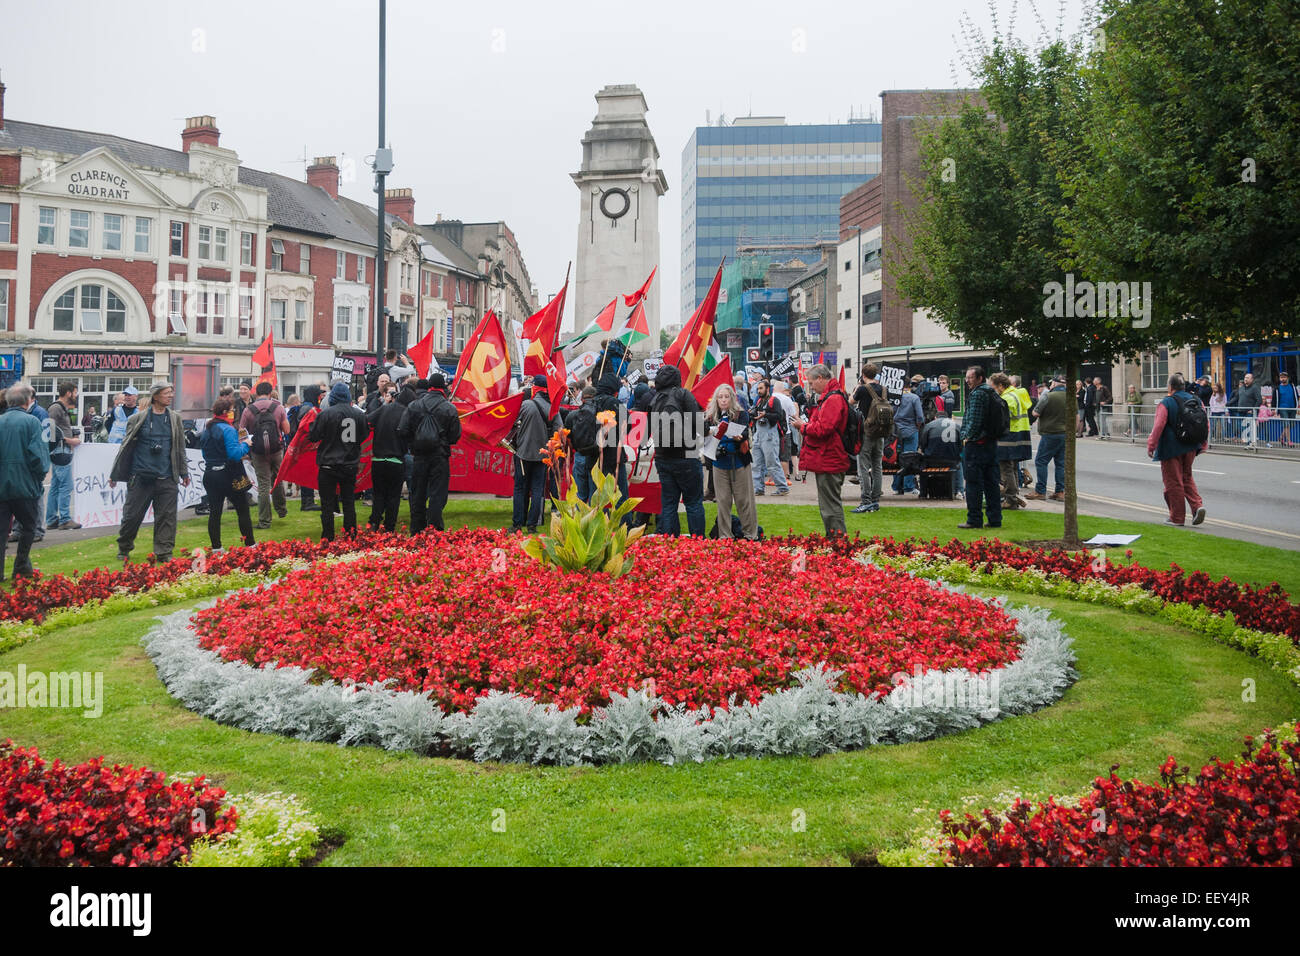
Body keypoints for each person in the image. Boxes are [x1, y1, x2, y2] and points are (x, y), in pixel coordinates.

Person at [110, 382, 191, 564]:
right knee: (131, 517)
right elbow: (125, 448)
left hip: (167, 477)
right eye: (166, 393)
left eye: (171, 392)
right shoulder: (137, 419)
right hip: (140, 477)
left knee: (167, 518)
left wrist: (184, 472)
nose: (170, 396)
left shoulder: (175, 419)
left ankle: (164, 552)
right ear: (155, 396)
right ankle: (124, 547)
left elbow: (180, 448)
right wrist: (115, 474)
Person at [399, 372, 461, 534]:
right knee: (437, 494)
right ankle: (434, 529)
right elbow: (455, 436)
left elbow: (403, 429)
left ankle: (417, 528)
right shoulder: (449, 408)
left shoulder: (414, 406)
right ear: (443, 387)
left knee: (418, 493)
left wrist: (414, 442)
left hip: (419, 456)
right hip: (439, 456)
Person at [790, 365, 849, 535]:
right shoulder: (832, 397)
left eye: (811, 382)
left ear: (821, 378)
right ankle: (835, 541)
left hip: (830, 457)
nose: (811, 386)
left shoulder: (833, 399)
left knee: (830, 506)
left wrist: (803, 426)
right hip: (829, 457)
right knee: (828, 506)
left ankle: (837, 543)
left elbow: (824, 429)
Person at [0, 383, 51, 581]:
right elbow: (38, 457)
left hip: (3, 486)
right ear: (27, 401)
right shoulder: (32, 422)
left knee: (2, 531)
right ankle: (21, 566)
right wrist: (38, 478)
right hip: (25, 486)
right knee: (29, 527)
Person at [307, 381, 367, 541]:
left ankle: (328, 537)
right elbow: (364, 435)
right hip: (349, 464)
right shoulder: (359, 414)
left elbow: (313, 436)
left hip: (328, 465)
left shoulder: (326, 414)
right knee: (349, 503)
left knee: (327, 504)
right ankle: (351, 535)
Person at [651, 364, 705, 537]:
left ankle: (670, 544)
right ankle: (697, 542)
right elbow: (698, 423)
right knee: (693, 502)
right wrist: (708, 428)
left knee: (668, 503)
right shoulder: (683, 394)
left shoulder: (655, 398)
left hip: (662, 456)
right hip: (686, 455)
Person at [1146, 374, 1207, 527]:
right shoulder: (1197, 400)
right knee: (1187, 477)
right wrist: (1203, 444)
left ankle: (1177, 518)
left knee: (1173, 482)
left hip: (1170, 448)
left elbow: (1158, 425)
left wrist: (1151, 445)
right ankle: (1197, 506)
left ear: (1170, 387)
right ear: (1183, 386)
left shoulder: (1166, 402)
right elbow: (1205, 422)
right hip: (1192, 445)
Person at [199, 396, 254, 553]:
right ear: (225, 412)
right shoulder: (228, 429)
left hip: (210, 474)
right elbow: (235, 454)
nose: (234, 413)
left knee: (215, 513)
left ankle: (216, 548)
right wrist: (246, 444)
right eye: (232, 410)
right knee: (242, 509)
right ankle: (250, 544)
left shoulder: (207, 429)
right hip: (229, 475)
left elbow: (204, 453)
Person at [704, 384, 757, 539]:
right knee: (723, 502)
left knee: (744, 501)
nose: (723, 400)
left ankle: (750, 535)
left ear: (732, 398)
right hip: (719, 463)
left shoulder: (740, 414)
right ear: (716, 399)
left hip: (739, 462)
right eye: (720, 397)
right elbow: (702, 432)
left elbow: (745, 431)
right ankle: (725, 536)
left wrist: (740, 437)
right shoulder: (710, 416)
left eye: (726, 396)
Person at [239, 382, 290, 530]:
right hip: (276, 450)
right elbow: (286, 430)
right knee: (278, 479)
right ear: (270, 392)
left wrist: (246, 446)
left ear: (256, 393)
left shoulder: (249, 410)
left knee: (263, 485)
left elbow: (241, 432)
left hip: (258, 451)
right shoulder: (278, 407)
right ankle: (281, 509)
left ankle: (264, 521)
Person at [958, 366, 1002, 530]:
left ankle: (974, 519)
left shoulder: (977, 394)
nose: (967, 380)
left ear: (980, 378)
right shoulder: (991, 392)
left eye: (970, 377)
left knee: (973, 483)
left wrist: (966, 436)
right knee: (992, 483)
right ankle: (995, 518)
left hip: (977, 445)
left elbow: (974, 421)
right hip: (990, 443)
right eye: (967, 377)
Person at [510, 375, 554, 533]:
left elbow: (513, 424)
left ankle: (517, 524)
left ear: (534, 387)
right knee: (537, 490)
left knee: (520, 489)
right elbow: (559, 430)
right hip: (543, 456)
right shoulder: (551, 408)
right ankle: (532, 525)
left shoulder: (525, 404)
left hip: (523, 453)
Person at [45, 380, 83, 530]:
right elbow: (48, 431)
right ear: (68, 393)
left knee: (55, 486)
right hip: (61, 451)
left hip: (60, 450)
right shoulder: (56, 408)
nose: (76, 395)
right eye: (75, 392)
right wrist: (70, 440)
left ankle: (52, 519)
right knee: (66, 485)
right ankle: (65, 519)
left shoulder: (60, 408)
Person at [991, 373, 1030, 510]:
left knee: (1006, 468)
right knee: (1012, 468)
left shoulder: (1007, 398)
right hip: (1018, 434)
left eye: (993, 387)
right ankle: (1013, 496)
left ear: (1001, 386)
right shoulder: (1015, 394)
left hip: (1008, 435)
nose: (993, 390)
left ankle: (1011, 499)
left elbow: (1001, 419)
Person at [1026, 375, 1068, 501]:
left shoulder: (1048, 396)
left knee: (1041, 461)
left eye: (1051, 383)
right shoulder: (1070, 397)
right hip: (1065, 433)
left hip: (1050, 433)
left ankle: (1040, 491)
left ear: (1054, 384)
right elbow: (1076, 416)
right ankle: (1060, 492)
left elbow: (1035, 413)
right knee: (1060, 463)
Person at [852, 364, 886, 514]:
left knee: (863, 468)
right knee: (877, 466)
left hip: (866, 432)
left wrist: (859, 386)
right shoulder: (884, 390)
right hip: (881, 432)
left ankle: (865, 501)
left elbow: (850, 402)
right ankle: (875, 500)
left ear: (863, 374)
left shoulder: (862, 389)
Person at [749, 379, 789, 496]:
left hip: (770, 435)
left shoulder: (774, 400)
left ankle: (782, 488)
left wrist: (765, 414)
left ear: (767, 389)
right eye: (758, 389)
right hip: (758, 435)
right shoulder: (759, 401)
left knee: (772, 463)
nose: (759, 391)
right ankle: (758, 489)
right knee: (756, 464)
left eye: (761, 388)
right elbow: (755, 415)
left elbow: (778, 416)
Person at [291, 385, 324, 512]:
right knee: (308, 473)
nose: (320, 397)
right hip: (307, 447)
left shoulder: (305, 406)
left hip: (303, 447)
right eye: (319, 394)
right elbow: (307, 429)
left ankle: (307, 501)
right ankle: (308, 502)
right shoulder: (309, 409)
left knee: (307, 473)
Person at [566, 387, 600, 503]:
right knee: (594, 494)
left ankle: (578, 519)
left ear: (581, 398)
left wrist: (574, 450)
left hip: (579, 454)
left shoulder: (572, 415)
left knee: (579, 494)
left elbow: (568, 438)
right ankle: (592, 519)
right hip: (595, 456)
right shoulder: (600, 415)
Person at [892, 376, 925, 496]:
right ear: (909, 385)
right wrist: (917, 426)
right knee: (910, 459)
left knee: (897, 459)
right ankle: (908, 487)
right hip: (911, 430)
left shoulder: (895, 398)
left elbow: (892, 412)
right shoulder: (914, 398)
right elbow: (920, 417)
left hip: (897, 431)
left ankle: (896, 486)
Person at [772, 381, 802, 481]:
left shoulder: (769, 398)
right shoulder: (787, 399)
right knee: (784, 456)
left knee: (773, 456)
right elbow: (793, 414)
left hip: (770, 431)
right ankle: (785, 477)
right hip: (785, 431)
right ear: (783, 389)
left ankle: (774, 478)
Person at [1230, 373, 1261, 444]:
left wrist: (1253, 409)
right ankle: (1246, 440)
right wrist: (1228, 403)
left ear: (1252, 379)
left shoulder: (1255, 388)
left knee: (1249, 428)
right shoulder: (1241, 388)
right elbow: (1236, 398)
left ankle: (1250, 443)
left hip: (1249, 412)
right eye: (1245, 378)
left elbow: (1259, 400)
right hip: (1240, 411)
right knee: (1239, 426)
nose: (1245, 379)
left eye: (1247, 378)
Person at [1276, 371, 1296, 447]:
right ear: (1279, 378)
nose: (1282, 379)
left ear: (1287, 378)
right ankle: (1289, 441)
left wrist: (1296, 406)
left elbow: (1296, 396)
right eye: (1281, 377)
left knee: (1290, 425)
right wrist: (1275, 409)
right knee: (1286, 425)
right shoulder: (1278, 388)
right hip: (1282, 408)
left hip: (1292, 408)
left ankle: (1281, 438)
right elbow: (1275, 399)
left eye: (1284, 377)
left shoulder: (1292, 386)